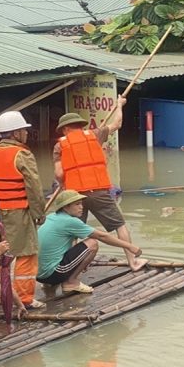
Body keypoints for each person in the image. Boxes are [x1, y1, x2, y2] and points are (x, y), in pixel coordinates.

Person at [53, 95, 147, 271]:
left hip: (74, 195)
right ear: (81, 125)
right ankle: (132, 262)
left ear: (65, 129)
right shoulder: (95, 134)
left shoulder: (59, 146)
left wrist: (63, 184)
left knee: (72, 230)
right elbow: (117, 123)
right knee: (120, 225)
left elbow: (59, 173)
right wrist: (119, 105)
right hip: (98, 191)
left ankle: (70, 266)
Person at [0, 111, 47, 309]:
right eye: (24, 131)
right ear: (16, 133)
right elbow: (34, 187)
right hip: (19, 212)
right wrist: (39, 214)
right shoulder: (22, 154)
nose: (26, 134)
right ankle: (24, 298)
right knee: (27, 253)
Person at [37, 190, 142, 293]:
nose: (81, 207)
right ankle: (71, 282)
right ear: (65, 207)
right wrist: (130, 246)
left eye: (81, 204)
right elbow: (102, 236)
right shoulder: (70, 221)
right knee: (92, 243)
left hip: (37, 274)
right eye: (77, 204)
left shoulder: (51, 217)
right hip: (51, 274)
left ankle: (48, 284)